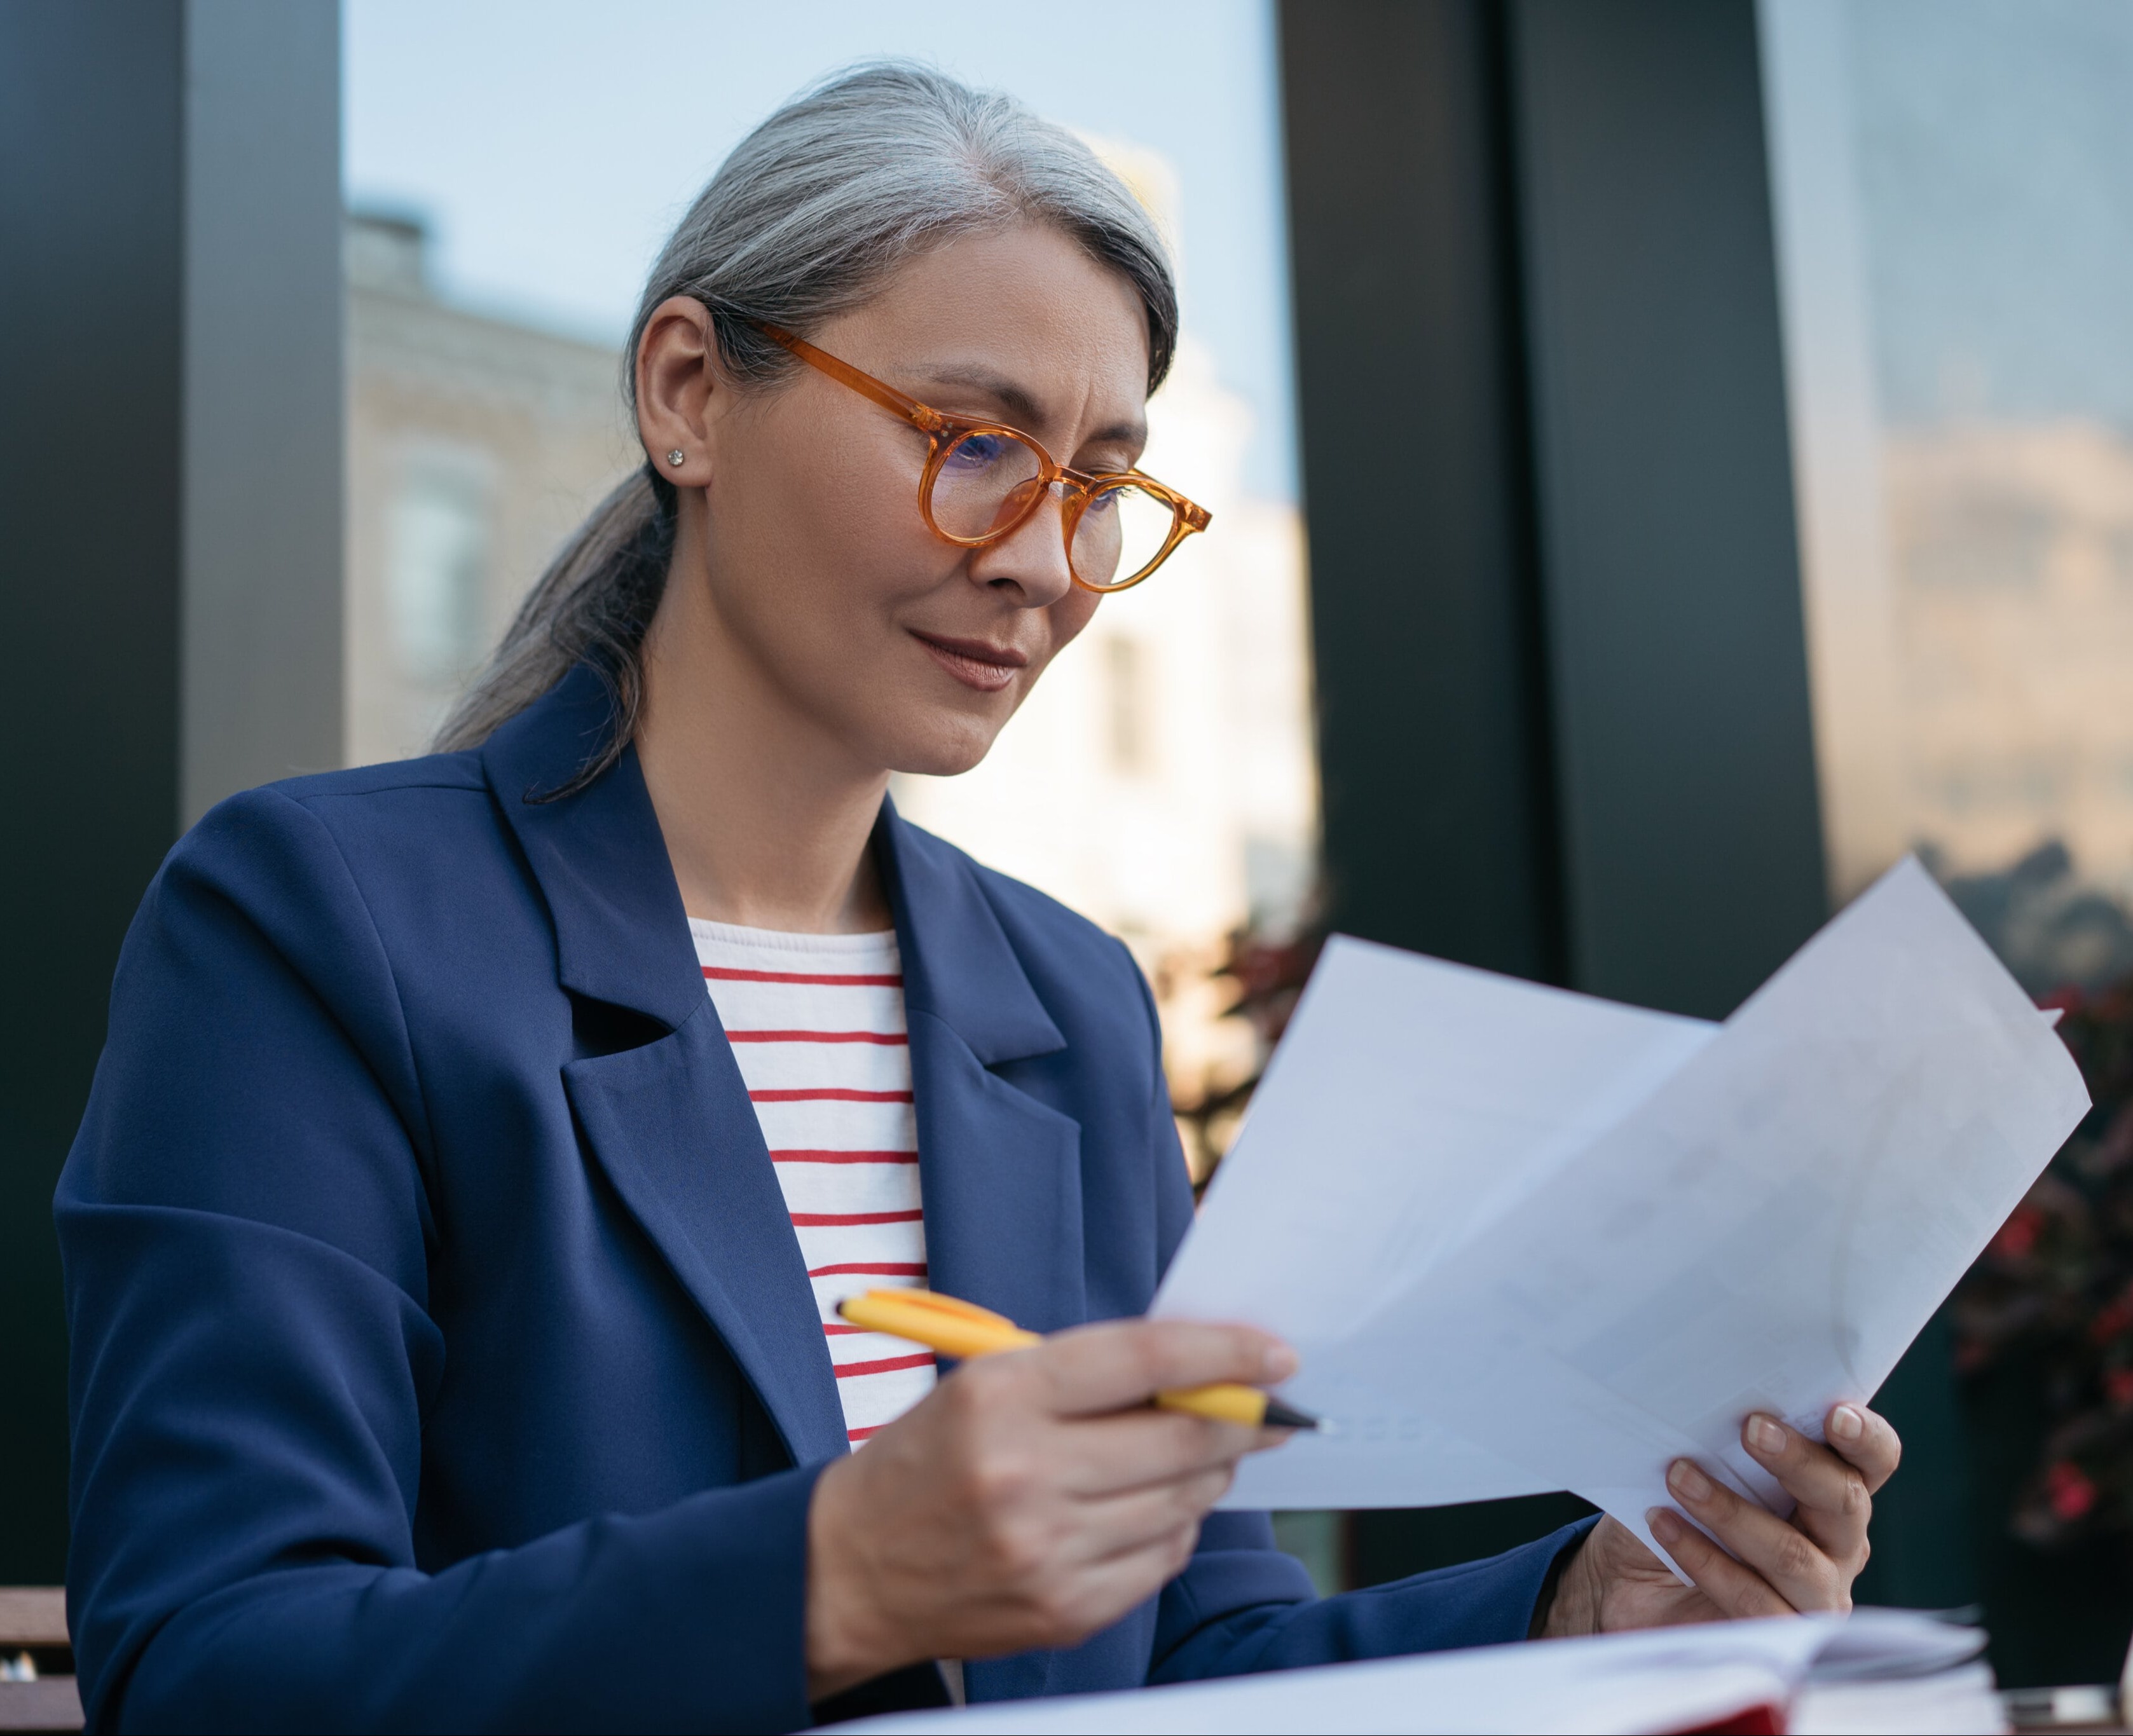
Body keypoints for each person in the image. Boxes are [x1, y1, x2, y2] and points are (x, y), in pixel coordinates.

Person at [58, 62, 1900, 1733]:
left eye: (1100, 482)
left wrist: (1585, 1611)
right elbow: (214, 1665)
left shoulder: (1065, 1000)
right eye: (970, 439)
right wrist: (833, 1576)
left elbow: (1186, 1660)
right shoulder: (319, 921)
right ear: (688, 391)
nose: (1039, 561)